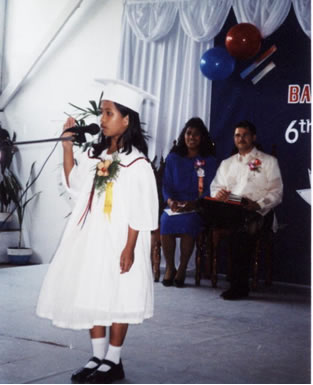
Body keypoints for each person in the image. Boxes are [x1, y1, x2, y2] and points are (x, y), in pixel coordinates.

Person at [36, 79, 159, 383]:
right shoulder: (96, 156)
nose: (101, 120)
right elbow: (75, 186)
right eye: (102, 113)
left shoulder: (137, 164)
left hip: (121, 238)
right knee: (94, 291)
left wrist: (130, 247)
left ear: (126, 119)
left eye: (108, 113)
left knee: (119, 295)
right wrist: (67, 146)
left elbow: (143, 210)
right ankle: (97, 355)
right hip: (93, 236)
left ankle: (114, 361)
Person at [210, 120, 283, 300]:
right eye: (237, 135)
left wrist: (258, 205)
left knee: (241, 230)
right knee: (211, 213)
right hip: (232, 209)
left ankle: (239, 286)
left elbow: (277, 192)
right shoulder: (227, 163)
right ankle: (235, 281)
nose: (240, 138)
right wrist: (218, 194)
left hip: (258, 210)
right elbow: (214, 188)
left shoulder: (268, 161)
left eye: (245, 135)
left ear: (253, 137)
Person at [160, 117, 217, 288]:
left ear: (203, 138)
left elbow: (211, 187)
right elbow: (166, 185)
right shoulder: (173, 157)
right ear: (184, 135)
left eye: (196, 135)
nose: (191, 137)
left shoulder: (209, 160)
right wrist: (170, 201)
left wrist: (195, 203)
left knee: (189, 222)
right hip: (175, 205)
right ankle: (170, 267)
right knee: (165, 221)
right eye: (188, 133)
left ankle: (182, 268)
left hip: (197, 206)